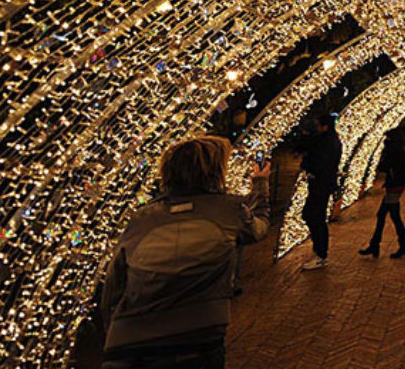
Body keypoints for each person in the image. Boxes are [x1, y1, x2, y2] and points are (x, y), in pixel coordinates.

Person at [101, 136, 270, 369]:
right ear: (214, 172)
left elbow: (114, 285)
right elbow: (259, 229)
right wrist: (260, 184)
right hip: (196, 338)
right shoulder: (229, 210)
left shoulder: (141, 218)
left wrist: (114, 333)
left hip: (127, 343)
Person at [359, 130, 405, 259]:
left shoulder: (394, 151)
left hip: (394, 186)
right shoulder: (398, 150)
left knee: (392, 216)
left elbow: (385, 165)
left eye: (387, 138)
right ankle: (377, 245)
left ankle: (402, 245)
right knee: (384, 215)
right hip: (396, 185)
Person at [299, 116, 342, 271]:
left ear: (324, 127)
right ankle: (319, 251)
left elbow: (317, 162)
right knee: (312, 216)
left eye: (318, 125)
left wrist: (308, 165)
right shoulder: (330, 141)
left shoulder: (326, 143)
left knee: (315, 217)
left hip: (321, 185)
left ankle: (320, 254)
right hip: (322, 184)